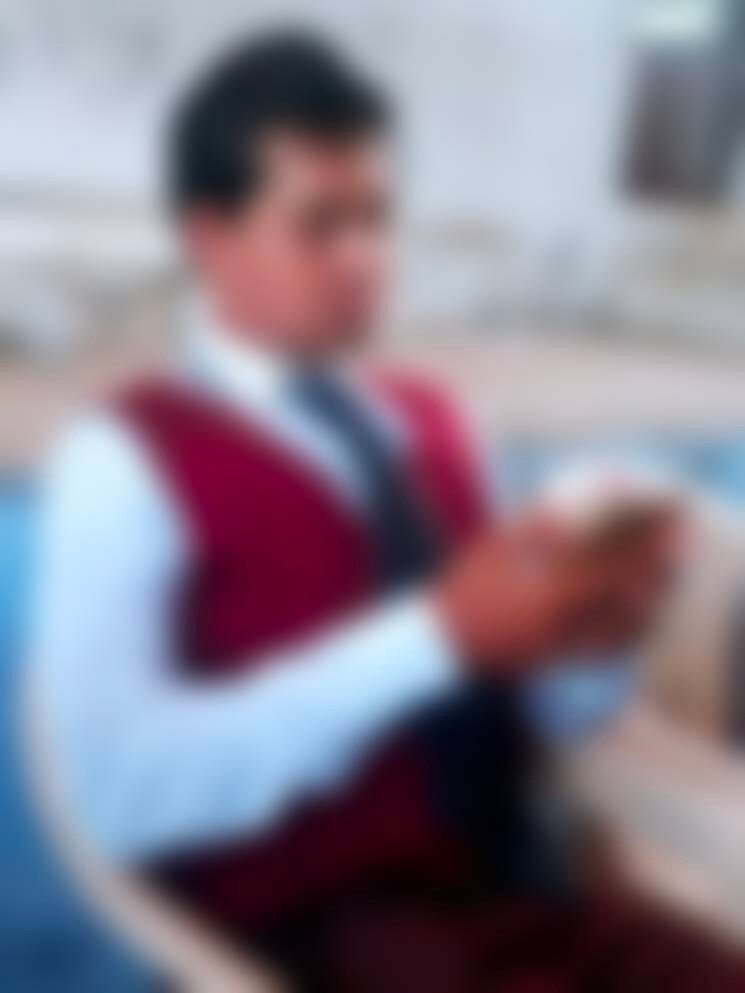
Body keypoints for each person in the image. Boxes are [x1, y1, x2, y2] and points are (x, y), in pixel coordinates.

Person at [32, 31, 745, 992]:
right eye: (321, 226)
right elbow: (122, 795)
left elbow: (545, 710)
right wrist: (436, 636)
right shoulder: (126, 459)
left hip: (520, 894)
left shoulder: (438, 423)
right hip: (322, 928)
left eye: (376, 219)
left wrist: (598, 631)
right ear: (210, 237)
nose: (365, 258)